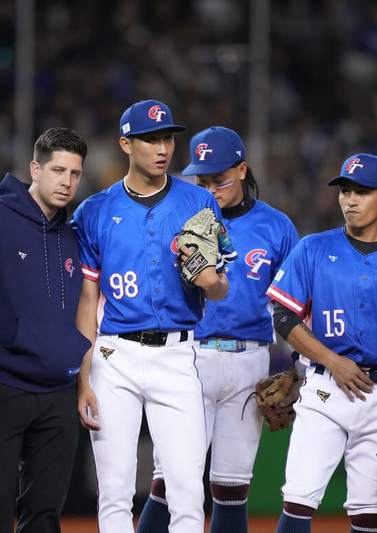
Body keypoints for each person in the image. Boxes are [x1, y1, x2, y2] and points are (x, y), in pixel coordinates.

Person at [72, 100, 231, 533]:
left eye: (167, 137)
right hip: (114, 356)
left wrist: (208, 279)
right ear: (126, 144)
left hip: (178, 355)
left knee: (186, 492)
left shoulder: (199, 201)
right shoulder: (93, 212)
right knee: (115, 492)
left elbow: (221, 288)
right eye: (150, 139)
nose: (162, 147)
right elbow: (88, 303)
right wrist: (83, 379)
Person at [135, 127, 299, 533]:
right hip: (189, 357)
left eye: (218, 178)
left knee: (232, 485)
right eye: (202, 180)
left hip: (250, 360)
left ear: (243, 170)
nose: (210, 187)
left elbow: (297, 305)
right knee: (168, 479)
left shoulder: (277, 227)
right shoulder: (177, 218)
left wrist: (301, 367)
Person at [0, 128, 92, 532]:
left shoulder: (72, 233)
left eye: (75, 173)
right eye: (58, 169)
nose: (66, 181)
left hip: (58, 391)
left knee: (45, 512)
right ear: (34, 169)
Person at [267, 154, 377, 533]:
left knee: (369, 512)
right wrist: (333, 361)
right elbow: (283, 316)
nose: (350, 199)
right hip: (324, 388)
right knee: (298, 499)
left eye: (362, 192)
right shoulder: (313, 248)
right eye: (346, 191)